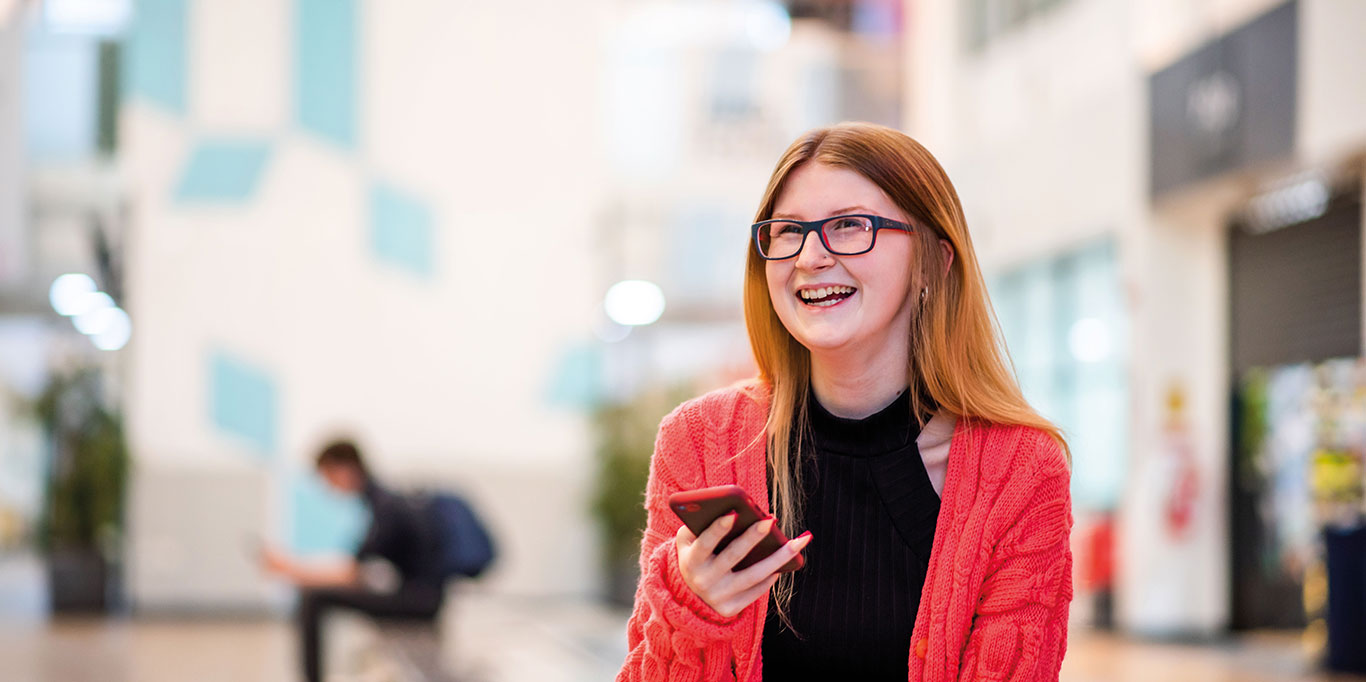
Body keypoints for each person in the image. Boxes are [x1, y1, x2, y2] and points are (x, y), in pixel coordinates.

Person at [617, 122, 1073, 682]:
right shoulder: (701, 441)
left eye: (850, 225)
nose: (810, 256)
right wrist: (691, 609)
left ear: (934, 260)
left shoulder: (1019, 472)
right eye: (788, 231)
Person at [262, 440, 444, 682]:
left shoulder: (385, 507)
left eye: (327, 476)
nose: (327, 485)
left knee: (313, 597)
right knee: (316, 593)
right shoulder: (380, 502)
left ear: (344, 469)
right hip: (413, 592)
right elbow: (359, 565)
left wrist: (290, 568)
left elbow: (349, 571)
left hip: (418, 600)